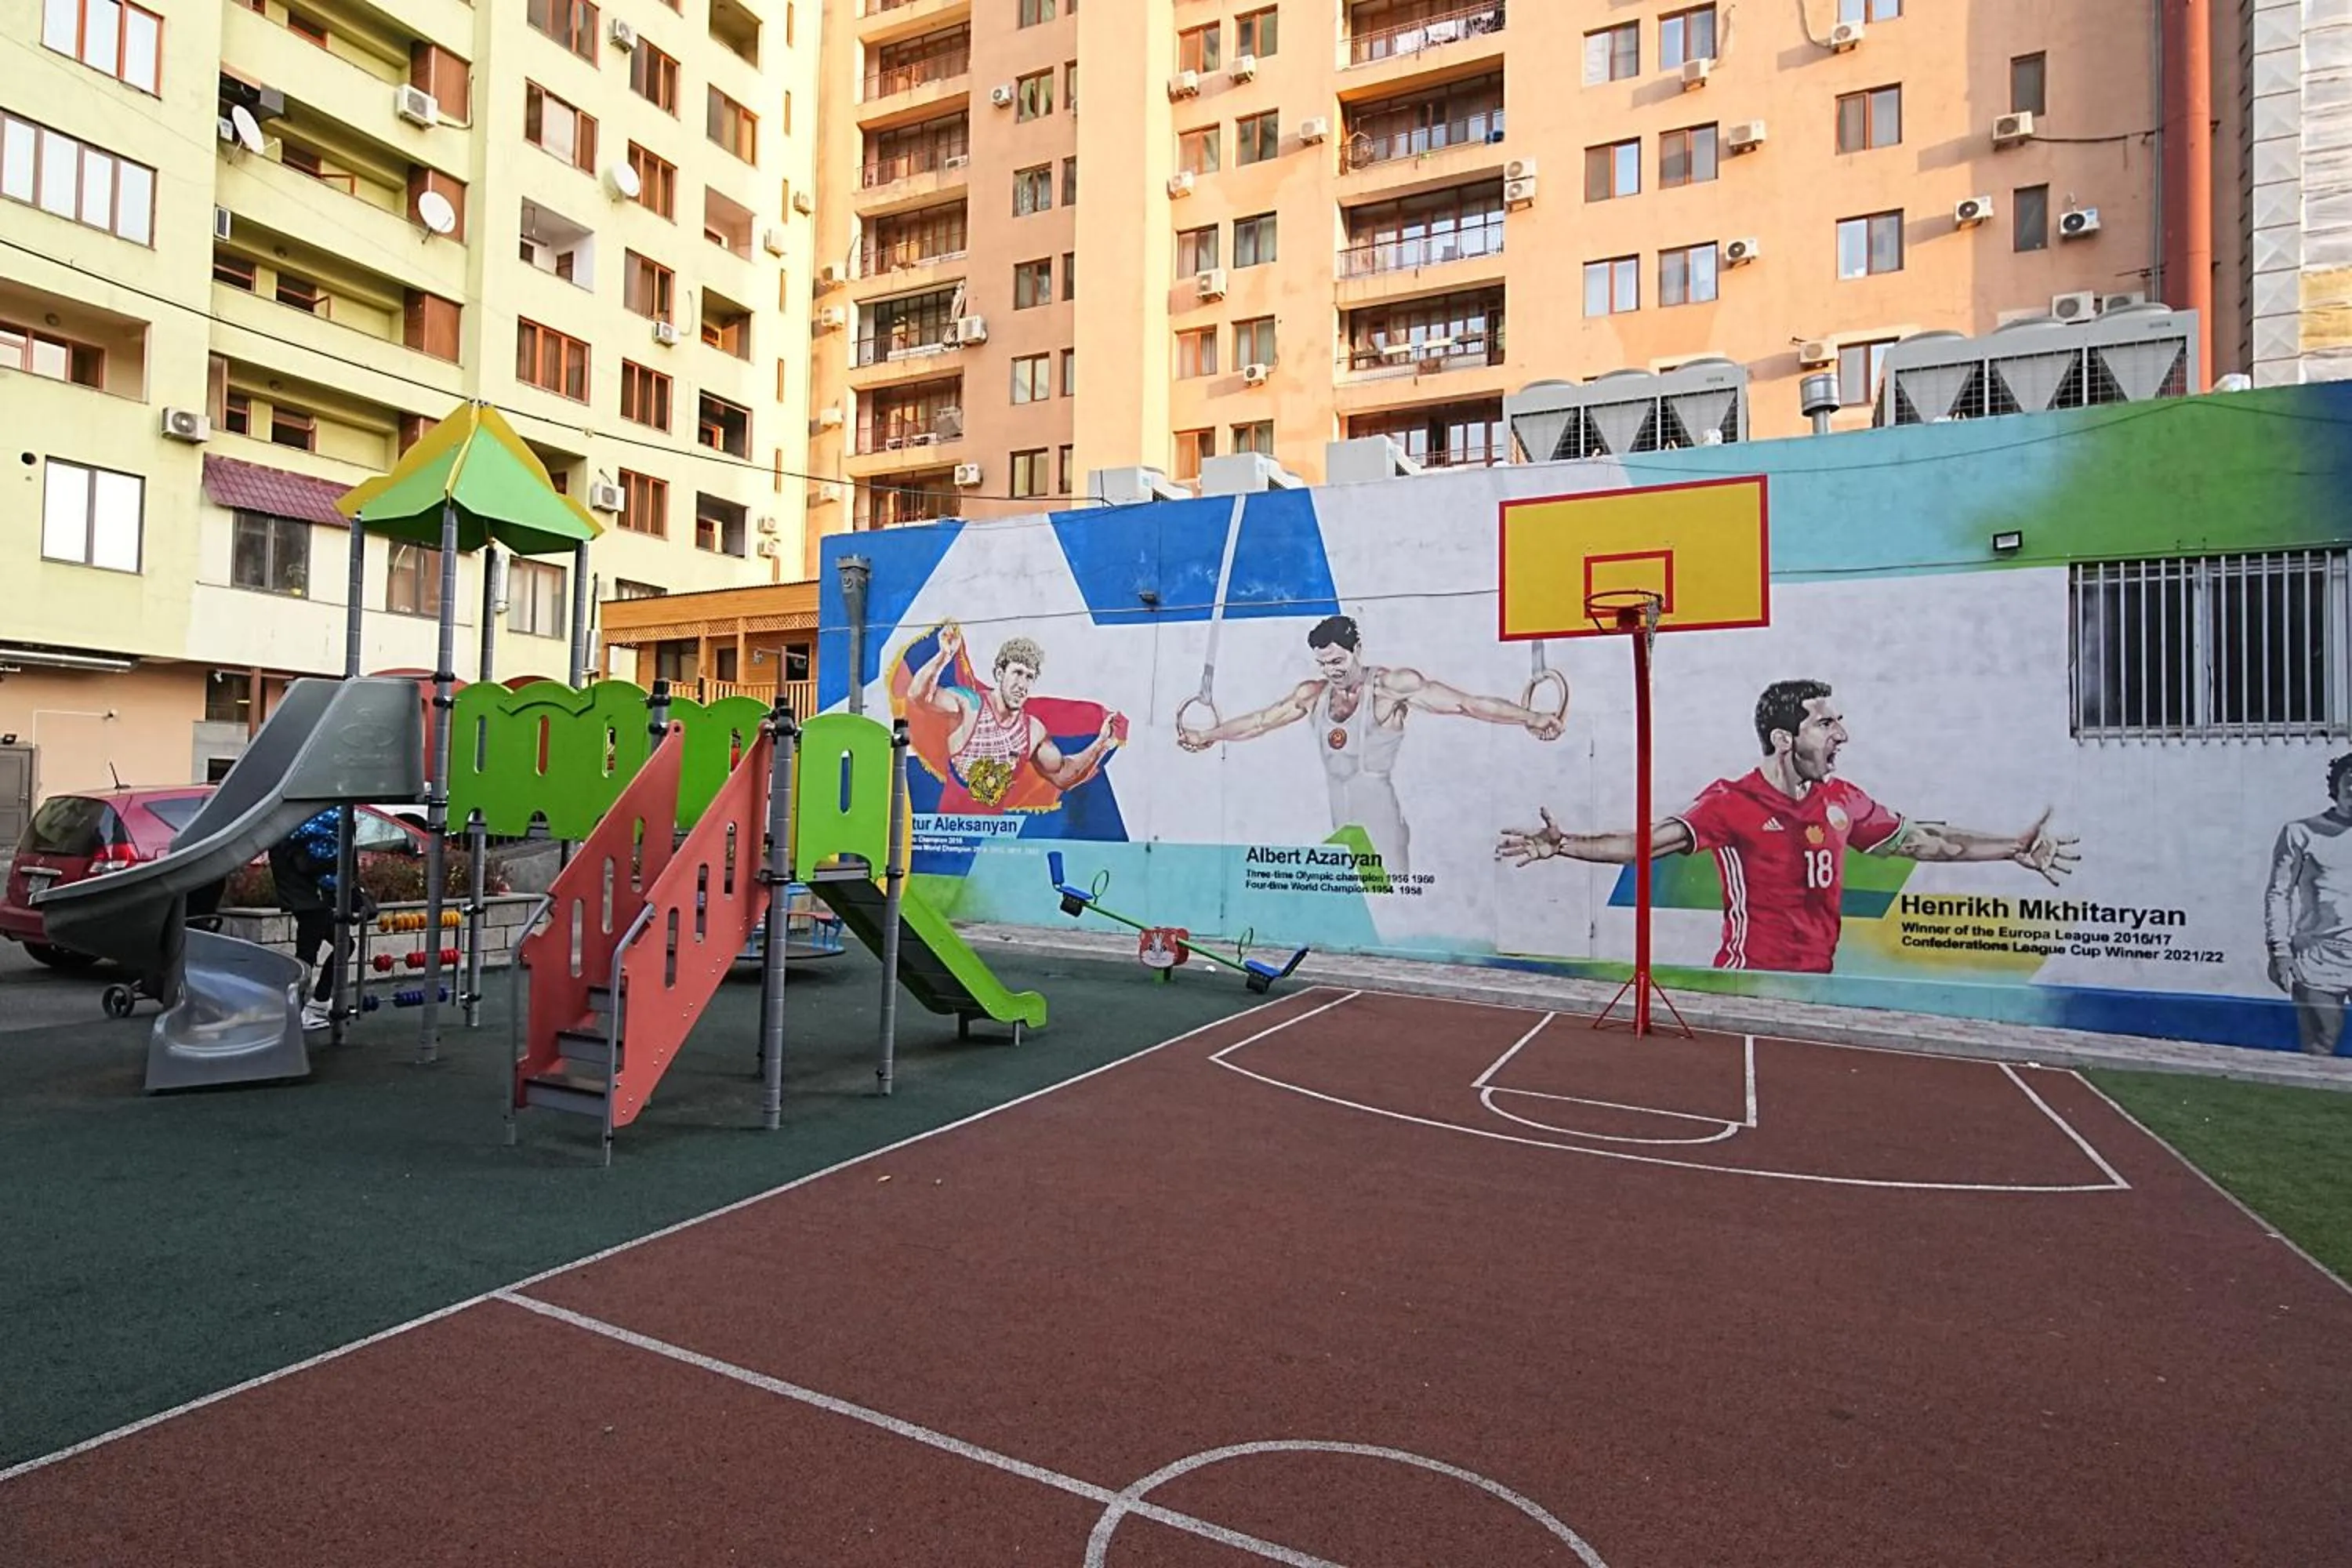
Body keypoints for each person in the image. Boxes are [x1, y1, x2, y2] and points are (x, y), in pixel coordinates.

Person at [1496, 677, 2078, 974]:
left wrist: (2013, 848)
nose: (1841, 737)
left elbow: (1930, 842)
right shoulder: (1730, 802)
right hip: (1748, 980)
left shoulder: (1843, 799)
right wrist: (1564, 844)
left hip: (1818, 979)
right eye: (1827, 725)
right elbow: (1643, 845)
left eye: (1839, 723)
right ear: (1784, 739)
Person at [1178, 613, 1565, 877]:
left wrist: (1531, 718)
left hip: (1380, 823)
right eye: (1324, 663)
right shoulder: (1313, 694)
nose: (1332, 670)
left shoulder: (1391, 688)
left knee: (1390, 902)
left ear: (1357, 649)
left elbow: (1468, 704)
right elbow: (1260, 722)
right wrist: (1208, 735)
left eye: (1338, 660)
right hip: (1342, 825)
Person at [906, 626, 1123, 808]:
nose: (1022, 684)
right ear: (1000, 674)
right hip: (951, 834)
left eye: (1029, 677)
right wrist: (944, 656)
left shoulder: (1033, 730)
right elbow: (920, 696)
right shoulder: (969, 705)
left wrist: (1103, 743)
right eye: (1017, 673)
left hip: (997, 840)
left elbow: (1063, 775)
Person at [2265, 752, 2352, 1056]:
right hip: (2318, 959)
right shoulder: (2300, 833)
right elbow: (2279, 894)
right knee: (2321, 1046)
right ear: (2337, 786)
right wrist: (2279, 951)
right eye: (2350, 782)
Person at [269, 808, 365, 1031]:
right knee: (308, 956)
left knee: (328, 950)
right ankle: (304, 1009)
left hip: (304, 898)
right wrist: (351, 892)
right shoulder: (314, 831)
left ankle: (310, 1004)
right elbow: (321, 865)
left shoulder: (292, 827)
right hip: (309, 900)